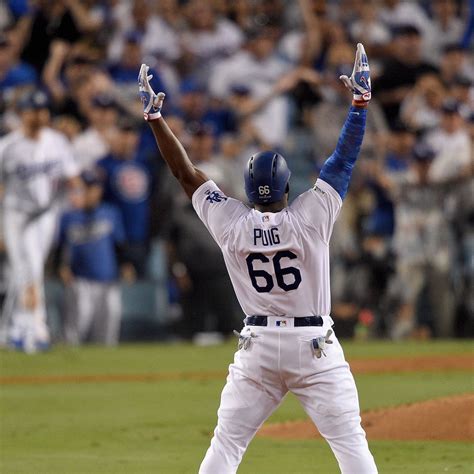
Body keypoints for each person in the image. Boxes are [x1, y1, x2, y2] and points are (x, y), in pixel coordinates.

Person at [139, 42, 377, 473]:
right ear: (288, 188)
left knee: (227, 446)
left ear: (247, 192)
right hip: (314, 347)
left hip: (259, 348)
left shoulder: (230, 222)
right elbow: (342, 161)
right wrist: (359, 106)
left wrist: (156, 121)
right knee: (350, 444)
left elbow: (185, 172)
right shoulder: (311, 215)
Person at [0, 89, 80, 352]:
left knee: (24, 270)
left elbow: (72, 176)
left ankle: (11, 329)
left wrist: (75, 193)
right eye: (33, 110)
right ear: (22, 113)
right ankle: (35, 328)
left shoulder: (56, 142)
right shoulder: (8, 146)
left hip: (46, 214)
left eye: (42, 110)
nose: (38, 115)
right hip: (16, 214)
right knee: (30, 267)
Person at [58, 170, 127, 346]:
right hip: (80, 281)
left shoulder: (110, 213)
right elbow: (59, 247)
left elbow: (120, 245)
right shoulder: (68, 216)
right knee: (75, 328)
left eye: (92, 188)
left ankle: (105, 369)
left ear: (99, 191)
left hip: (108, 280)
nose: (89, 192)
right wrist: (60, 266)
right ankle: (69, 364)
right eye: (85, 188)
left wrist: (126, 265)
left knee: (108, 329)